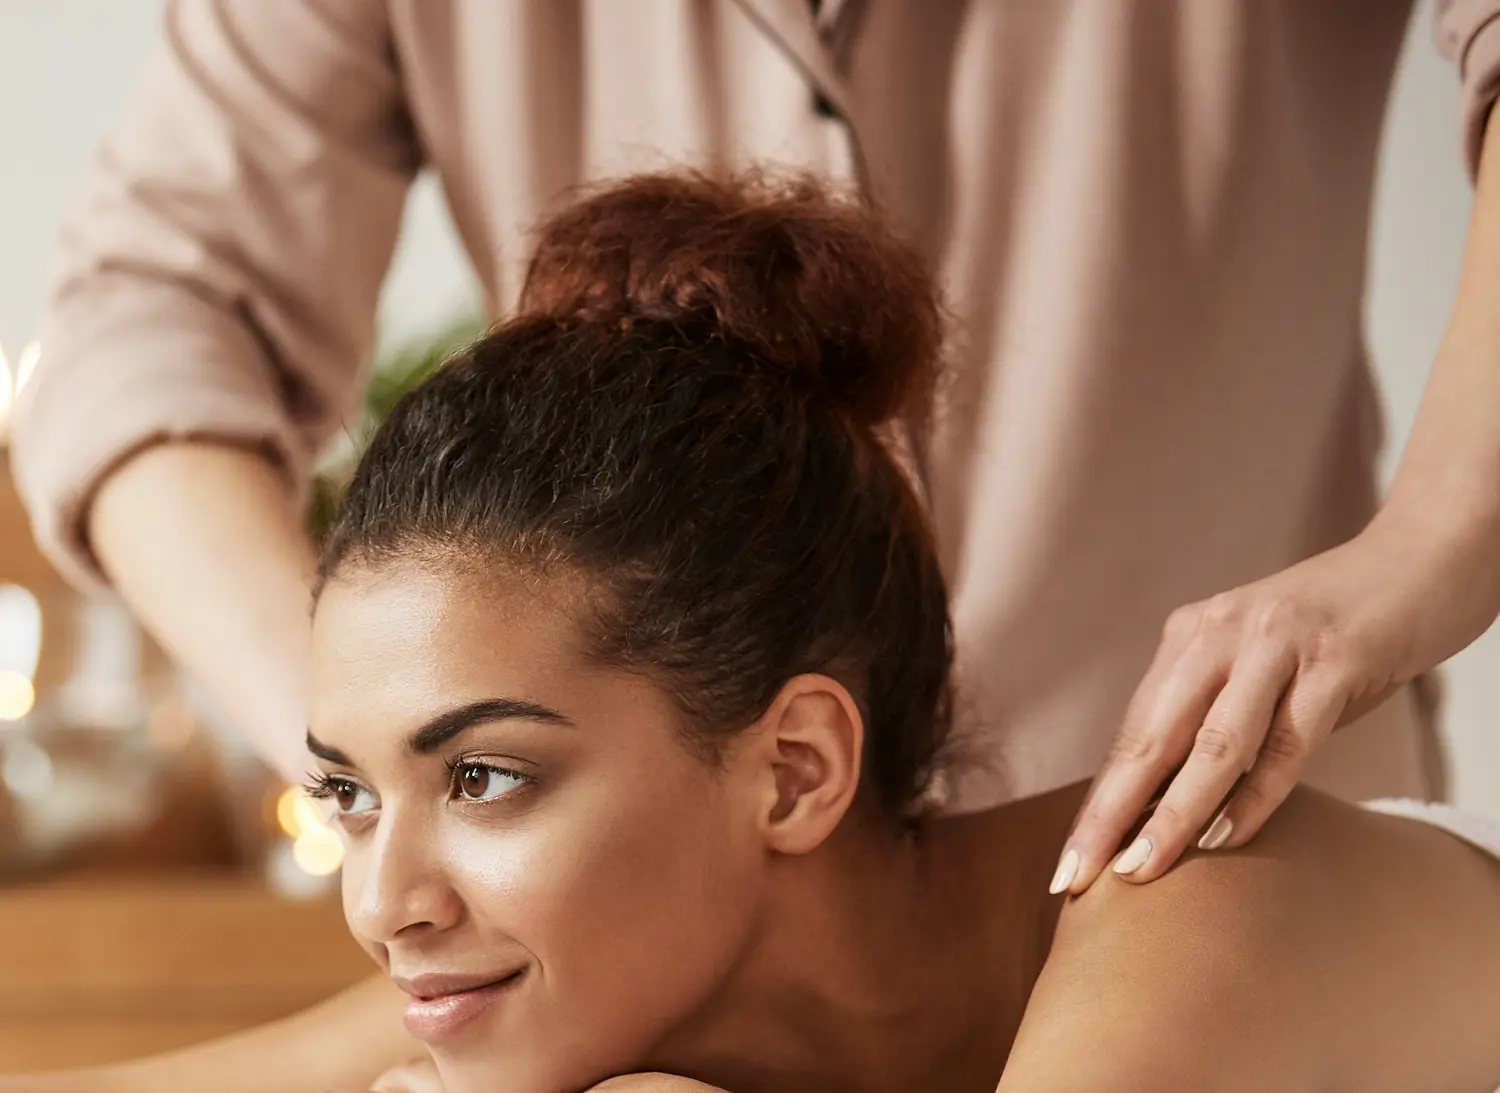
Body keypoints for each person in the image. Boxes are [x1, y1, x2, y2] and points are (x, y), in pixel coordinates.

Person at [6, 174, 1500, 1093]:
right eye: (349, 793)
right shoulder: (579, 982)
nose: (384, 902)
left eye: (484, 775)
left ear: (792, 770)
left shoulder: (1203, 886)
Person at [12, 1, 1500, 896]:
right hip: (670, 975)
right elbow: (150, 316)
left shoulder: (1275, 969)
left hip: (1227, 867)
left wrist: (1423, 555)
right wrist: (383, 758)